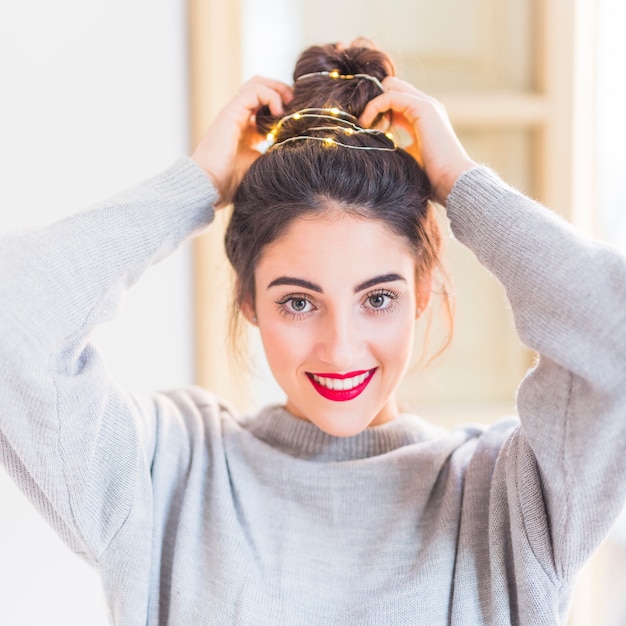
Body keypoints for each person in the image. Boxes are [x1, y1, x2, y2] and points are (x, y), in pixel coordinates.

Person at [1, 40, 625, 626]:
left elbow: (612, 329)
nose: (342, 348)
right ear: (248, 298)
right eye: (299, 302)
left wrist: (460, 182)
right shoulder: (166, 472)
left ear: (424, 290)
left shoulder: (509, 501)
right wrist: (197, 183)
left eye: (378, 297)